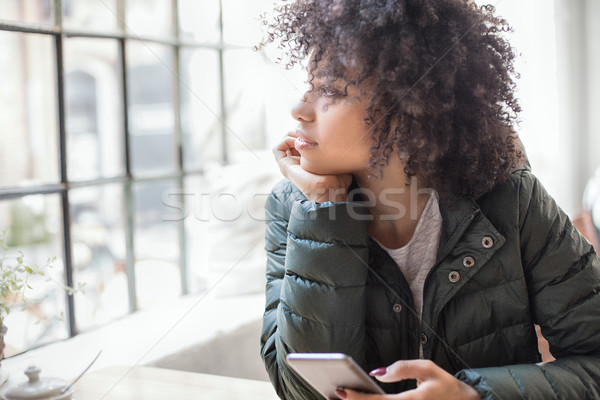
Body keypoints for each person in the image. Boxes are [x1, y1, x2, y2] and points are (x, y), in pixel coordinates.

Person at [259, 1, 600, 399]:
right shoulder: (293, 207)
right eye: (309, 85)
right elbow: (300, 391)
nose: (299, 109)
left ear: (407, 105)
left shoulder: (512, 199)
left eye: (330, 90)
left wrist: (474, 395)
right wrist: (323, 207)